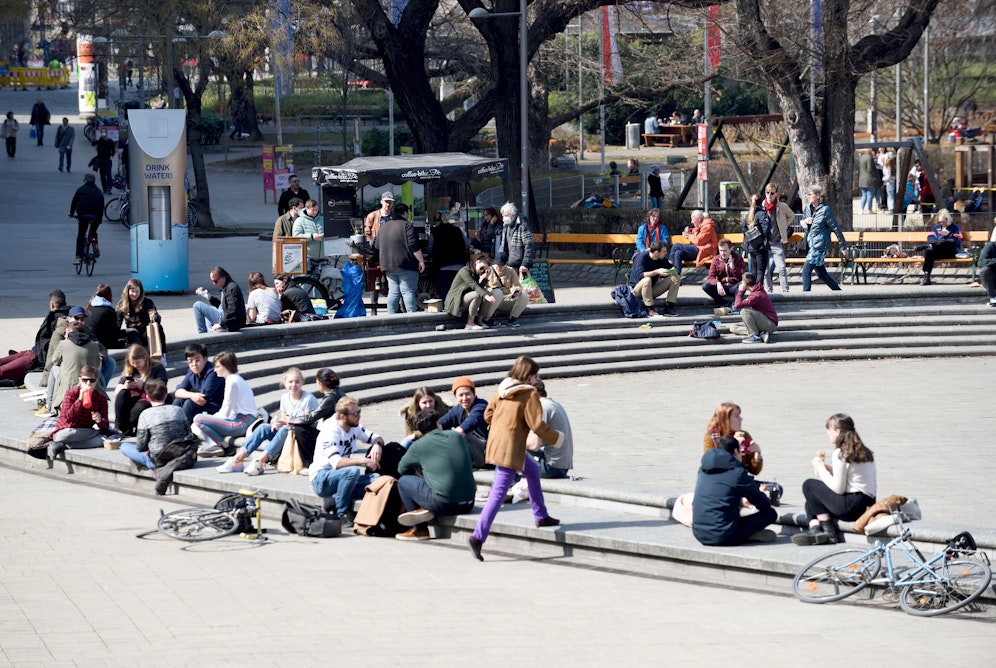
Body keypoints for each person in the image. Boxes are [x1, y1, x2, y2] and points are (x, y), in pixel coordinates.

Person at [468, 356, 564, 562]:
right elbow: (537, 426)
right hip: (510, 449)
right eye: (534, 375)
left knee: (533, 471)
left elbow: (488, 415)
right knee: (498, 493)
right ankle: (478, 535)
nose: (535, 379)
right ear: (528, 375)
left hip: (499, 444)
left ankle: (541, 515)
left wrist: (504, 427)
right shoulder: (529, 394)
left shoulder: (501, 389)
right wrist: (557, 438)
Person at [793, 413, 876, 546]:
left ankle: (828, 531)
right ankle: (815, 528)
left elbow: (839, 488)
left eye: (829, 429)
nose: (827, 433)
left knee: (809, 486)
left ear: (838, 431)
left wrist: (820, 469)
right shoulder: (864, 452)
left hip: (849, 506)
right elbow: (853, 477)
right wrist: (830, 470)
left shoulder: (840, 453)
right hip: (866, 505)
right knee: (812, 501)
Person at [217, 367, 317, 475]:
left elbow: (308, 422)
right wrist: (277, 422)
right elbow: (284, 419)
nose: (293, 385)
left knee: (284, 429)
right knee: (264, 428)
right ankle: (237, 460)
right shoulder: (284, 398)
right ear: (285, 383)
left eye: (297, 382)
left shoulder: (308, 399)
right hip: (287, 433)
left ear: (302, 383)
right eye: (290, 382)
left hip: (301, 437)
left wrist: (287, 423)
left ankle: (260, 462)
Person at [395, 409, 477, 541]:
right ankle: (426, 506)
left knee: (403, 481)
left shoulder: (419, 445)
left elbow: (401, 468)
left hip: (445, 504)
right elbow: (472, 458)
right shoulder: (456, 436)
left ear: (420, 430)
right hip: (468, 502)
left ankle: (419, 529)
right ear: (438, 423)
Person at [692, 435, 777, 546]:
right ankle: (746, 535)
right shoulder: (736, 473)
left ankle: (743, 533)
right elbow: (764, 504)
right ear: (736, 452)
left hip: (699, 533)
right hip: (724, 534)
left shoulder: (703, 470)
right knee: (770, 514)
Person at [309, 396, 384, 520]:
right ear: (343, 417)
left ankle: (335, 497)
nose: (359, 416)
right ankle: (340, 514)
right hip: (321, 478)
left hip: (341, 476)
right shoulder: (330, 431)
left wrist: (377, 445)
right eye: (355, 414)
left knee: (377, 479)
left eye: (359, 412)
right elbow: (336, 462)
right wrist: (363, 461)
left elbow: (377, 437)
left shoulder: (354, 426)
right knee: (352, 471)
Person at [192, 351, 258, 457]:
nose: (215, 370)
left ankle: (219, 444)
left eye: (218, 366)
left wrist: (211, 419)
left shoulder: (232, 381)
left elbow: (226, 410)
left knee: (198, 419)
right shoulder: (235, 378)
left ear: (226, 366)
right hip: (243, 419)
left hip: (242, 422)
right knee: (198, 423)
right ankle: (218, 445)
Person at [120, 379, 190, 471]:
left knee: (124, 446)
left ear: (148, 397)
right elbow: (189, 433)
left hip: (159, 459)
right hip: (181, 455)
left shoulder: (145, 414)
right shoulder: (178, 409)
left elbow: (141, 446)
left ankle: (147, 463)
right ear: (165, 396)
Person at [374, 202, 426, 314]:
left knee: (393, 292)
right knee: (408, 292)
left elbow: (377, 246)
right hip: (406, 264)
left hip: (387, 265)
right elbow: (414, 245)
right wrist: (421, 261)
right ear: (405, 213)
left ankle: (391, 317)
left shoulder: (383, 227)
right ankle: (412, 317)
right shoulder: (407, 225)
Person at [287, 367, 344, 467]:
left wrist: (291, 420)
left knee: (300, 430)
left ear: (321, 383)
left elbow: (311, 418)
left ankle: (310, 463)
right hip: (338, 432)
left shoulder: (330, 398)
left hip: (334, 435)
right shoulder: (337, 392)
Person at [49, 365, 110, 457]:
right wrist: (80, 400)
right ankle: (61, 442)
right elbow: (68, 417)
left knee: (102, 440)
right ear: (80, 380)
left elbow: (105, 425)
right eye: (85, 380)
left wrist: (100, 420)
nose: (88, 383)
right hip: (67, 430)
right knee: (63, 436)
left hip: (85, 431)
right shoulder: (71, 393)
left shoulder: (101, 398)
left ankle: (64, 445)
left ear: (96, 381)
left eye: (92, 380)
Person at [113, 344, 168, 436]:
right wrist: (125, 386)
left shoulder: (157, 368)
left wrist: (144, 384)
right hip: (133, 397)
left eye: (137, 362)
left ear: (145, 357)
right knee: (122, 393)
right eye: (132, 362)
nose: (135, 365)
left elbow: (161, 387)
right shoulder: (131, 370)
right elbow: (117, 390)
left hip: (148, 398)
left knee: (139, 409)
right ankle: (120, 426)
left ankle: (131, 426)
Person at [801, 185, 847, 292]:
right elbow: (804, 224)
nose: (808, 197)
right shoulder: (807, 208)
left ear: (818, 196)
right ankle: (838, 293)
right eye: (807, 194)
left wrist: (843, 246)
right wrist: (805, 222)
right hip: (811, 244)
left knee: (806, 271)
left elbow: (836, 228)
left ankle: (805, 298)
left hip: (820, 245)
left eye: (810, 194)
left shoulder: (826, 210)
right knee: (821, 273)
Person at [525, 379, 573, 479]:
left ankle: (508, 485)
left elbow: (534, 445)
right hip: (562, 465)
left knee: (511, 449)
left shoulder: (541, 408)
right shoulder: (552, 404)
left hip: (551, 468)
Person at [439, 376, 490, 468]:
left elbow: (470, 423)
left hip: (487, 452)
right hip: (472, 451)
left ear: (474, 394)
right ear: (455, 397)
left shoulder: (481, 406)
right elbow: (442, 422)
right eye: (461, 395)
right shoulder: (458, 409)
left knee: (465, 434)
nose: (464, 398)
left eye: (468, 394)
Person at [703, 402, 763, 476]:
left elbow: (754, 471)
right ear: (725, 419)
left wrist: (757, 454)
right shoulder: (711, 437)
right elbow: (711, 466)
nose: (741, 419)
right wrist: (734, 451)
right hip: (720, 480)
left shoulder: (744, 436)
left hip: (740, 479)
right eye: (736, 416)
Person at [171, 343, 224, 423]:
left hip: (217, 406)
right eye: (190, 361)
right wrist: (191, 395)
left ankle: (187, 432)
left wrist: (190, 395)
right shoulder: (191, 371)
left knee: (190, 404)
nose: (194, 364)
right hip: (202, 403)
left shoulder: (213, 372)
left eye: (197, 360)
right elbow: (178, 392)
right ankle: (173, 426)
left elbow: (202, 399)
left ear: (205, 359)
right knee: (178, 401)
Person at [85, 283, 122, 386]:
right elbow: (112, 336)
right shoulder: (108, 310)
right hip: (98, 345)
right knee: (110, 363)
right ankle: (101, 388)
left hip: (86, 342)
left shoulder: (89, 306)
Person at [444, 256, 496, 330]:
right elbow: (474, 285)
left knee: (487, 293)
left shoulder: (475, 273)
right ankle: (470, 323)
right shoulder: (464, 271)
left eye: (484, 270)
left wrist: (486, 277)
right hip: (456, 300)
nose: (482, 271)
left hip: (465, 298)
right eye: (481, 268)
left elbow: (478, 288)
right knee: (478, 294)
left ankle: (480, 321)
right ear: (477, 262)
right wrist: (485, 296)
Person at [630, 241, 680, 318]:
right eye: (664, 252)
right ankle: (649, 309)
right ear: (656, 252)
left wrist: (671, 271)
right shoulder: (642, 257)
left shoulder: (661, 258)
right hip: (638, 291)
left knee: (675, 277)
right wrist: (657, 271)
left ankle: (669, 307)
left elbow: (673, 269)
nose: (666, 253)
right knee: (647, 280)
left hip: (651, 289)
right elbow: (640, 275)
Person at [430, 211, 470, 305]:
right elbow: (467, 243)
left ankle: (447, 308)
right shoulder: (457, 230)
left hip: (443, 266)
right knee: (459, 290)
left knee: (445, 290)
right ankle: (460, 307)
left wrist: (432, 258)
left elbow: (430, 248)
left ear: (437, 221)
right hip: (460, 265)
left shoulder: (435, 232)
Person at [481, 252, 530, 327]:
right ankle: (487, 318)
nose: (499, 267)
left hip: (506, 298)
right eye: (498, 265)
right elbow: (480, 286)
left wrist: (517, 290)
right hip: (492, 299)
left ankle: (512, 318)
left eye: (502, 265)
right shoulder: (489, 270)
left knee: (524, 296)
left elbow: (517, 285)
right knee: (498, 292)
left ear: (506, 263)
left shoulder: (510, 270)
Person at [761, 183, 794, 293]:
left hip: (776, 242)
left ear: (776, 194)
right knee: (765, 270)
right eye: (767, 193)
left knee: (782, 268)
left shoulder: (781, 206)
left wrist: (784, 228)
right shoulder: (761, 206)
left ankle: (785, 291)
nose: (769, 195)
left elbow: (792, 215)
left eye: (772, 193)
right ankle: (769, 291)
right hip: (765, 243)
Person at [192, 266, 246, 333]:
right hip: (226, 318)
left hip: (230, 323)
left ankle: (202, 334)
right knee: (210, 309)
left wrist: (221, 324)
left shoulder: (231, 288)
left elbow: (232, 310)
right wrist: (210, 298)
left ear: (223, 277)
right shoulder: (227, 286)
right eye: (212, 281)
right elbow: (223, 306)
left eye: (215, 281)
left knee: (197, 305)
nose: (214, 284)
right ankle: (210, 332)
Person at [115, 278, 164, 351]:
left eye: (137, 291)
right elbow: (116, 324)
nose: (134, 294)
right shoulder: (121, 305)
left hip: (146, 332)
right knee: (133, 334)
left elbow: (157, 317)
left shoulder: (147, 302)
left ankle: (163, 354)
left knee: (158, 327)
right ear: (127, 291)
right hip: (133, 332)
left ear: (140, 292)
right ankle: (141, 354)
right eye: (132, 291)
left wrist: (154, 317)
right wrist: (124, 331)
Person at [730, 272, 778, 344]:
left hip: (770, 324)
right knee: (733, 327)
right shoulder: (756, 290)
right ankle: (762, 333)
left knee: (744, 310)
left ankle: (754, 336)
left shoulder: (756, 295)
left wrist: (740, 291)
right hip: (763, 321)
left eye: (742, 282)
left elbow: (737, 305)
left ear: (744, 283)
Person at [920, 209, 962, 285]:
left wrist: (948, 236)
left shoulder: (954, 227)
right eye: (940, 222)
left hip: (949, 251)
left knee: (950, 241)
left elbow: (958, 240)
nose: (942, 224)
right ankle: (927, 275)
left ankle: (927, 246)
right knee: (930, 251)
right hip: (938, 250)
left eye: (944, 222)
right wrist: (935, 241)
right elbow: (930, 238)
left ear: (948, 219)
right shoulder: (936, 227)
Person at [702, 238, 746, 311]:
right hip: (722, 288)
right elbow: (710, 277)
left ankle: (736, 304)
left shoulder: (738, 258)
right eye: (720, 251)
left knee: (743, 284)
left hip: (733, 287)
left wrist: (733, 268)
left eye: (725, 250)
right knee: (705, 286)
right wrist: (718, 283)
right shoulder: (716, 259)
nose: (722, 253)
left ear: (730, 249)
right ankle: (724, 303)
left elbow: (742, 275)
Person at [494, 202, 534, 276]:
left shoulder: (522, 225)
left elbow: (529, 245)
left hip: (520, 265)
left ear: (513, 215)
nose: (504, 218)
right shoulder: (506, 226)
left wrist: (525, 263)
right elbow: (504, 246)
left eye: (506, 215)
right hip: (509, 264)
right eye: (503, 216)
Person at [69, 173, 104, 261]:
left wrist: (72, 213)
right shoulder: (99, 191)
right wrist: (100, 218)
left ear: (85, 180)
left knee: (81, 234)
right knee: (93, 232)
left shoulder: (81, 189)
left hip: (84, 215)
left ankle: (78, 257)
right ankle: (95, 246)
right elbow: (102, 206)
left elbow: (74, 201)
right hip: (96, 216)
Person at [742, 193, 772, 281]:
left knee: (754, 270)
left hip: (751, 246)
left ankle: (754, 289)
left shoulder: (748, 214)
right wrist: (763, 238)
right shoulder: (761, 214)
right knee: (760, 270)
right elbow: (766, 229)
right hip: (761, 246)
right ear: (761, 201)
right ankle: (758, 289)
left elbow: (743, 228)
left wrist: (751, 237)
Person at [292, 199, 325, 266]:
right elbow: (296, 237)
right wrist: (312, 236)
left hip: (322, 257)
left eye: (316, 209)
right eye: (313, 210)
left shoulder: (322, 219)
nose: (315, 212)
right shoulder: (299, 221)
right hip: (307, 257)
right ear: (306, 209)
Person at [857, 148, 882, 214]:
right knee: (869, 195)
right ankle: (869, 209)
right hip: (870, 179)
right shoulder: (869, 158)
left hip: (862, 179)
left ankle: (861, 209)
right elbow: (870, 169)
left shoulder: (861, 158)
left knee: (864, 195)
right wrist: (876, 175)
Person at [91, 128, 115, 193]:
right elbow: (93, 143)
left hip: (108, 160)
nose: (104, 133)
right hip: (101, 160)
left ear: (107, 133)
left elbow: (113, 150)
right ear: (101, 133)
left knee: (108, 174)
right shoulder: (99, 141)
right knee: (102, 175)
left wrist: (111, 156)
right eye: (102, 132)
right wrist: (100, 139)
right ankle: (104, 187)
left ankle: (109, 188)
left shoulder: (110, 141)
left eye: (105, 132)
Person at [977, 227, 996, 307]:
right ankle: (993, 297)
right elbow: (980, 262)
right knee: (985, 270)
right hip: (992, 278)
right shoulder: (990, 246)